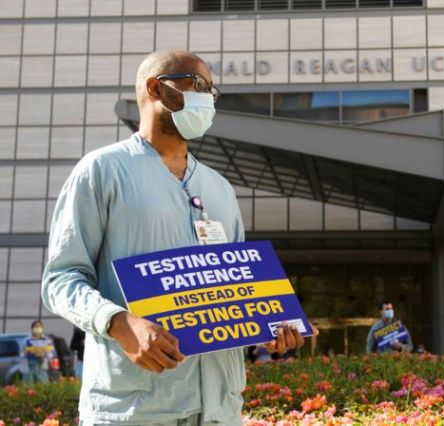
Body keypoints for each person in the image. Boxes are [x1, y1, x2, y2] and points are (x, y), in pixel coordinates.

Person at [42, 50, 313, 426]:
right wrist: (119, 322)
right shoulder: (102, 171)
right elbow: (61, 280)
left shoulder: (220, 189)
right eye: (197, 85)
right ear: (156, 88)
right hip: (135, 411)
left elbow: (238, 291)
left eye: (212, 92)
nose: (207, 98)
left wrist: (267, 326)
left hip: (221, 410)